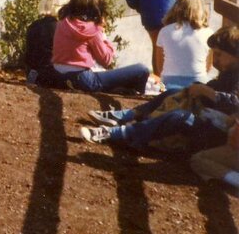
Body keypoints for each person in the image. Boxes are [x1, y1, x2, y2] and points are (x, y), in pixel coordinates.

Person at [82, 26, 239, 152]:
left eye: (219, 55)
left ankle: (120, 133)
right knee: (172, 92)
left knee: (179, 117)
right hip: (212, 120)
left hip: (220, 133)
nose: (215, 60)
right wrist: (200, 88)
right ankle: (128, 116)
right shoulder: (228, 73)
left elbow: (234, 102)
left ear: (235, 55)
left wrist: (206, 92)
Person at [50, 0, 150, 93]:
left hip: (59, 77)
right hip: (84, 80)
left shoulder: (63, 22)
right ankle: (137, 99)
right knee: (141, 70)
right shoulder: (93, 30)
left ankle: (123, 91)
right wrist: (102, 33)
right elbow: (106, 60)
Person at [155, 0, 214, 90]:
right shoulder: (208, 33)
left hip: (169, 83)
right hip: (198, 81)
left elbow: (159, 65)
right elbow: (209, 66)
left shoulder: (164, 31)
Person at [24, 0, 70, 86]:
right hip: (52, 77)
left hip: (33, 74)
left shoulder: (33, 25)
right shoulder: (61, 28)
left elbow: (29, 55)